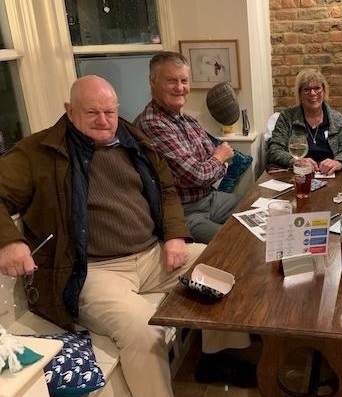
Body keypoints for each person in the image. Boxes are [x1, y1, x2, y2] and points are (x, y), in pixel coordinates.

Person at [0, 75, 204, 397]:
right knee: (143, 329)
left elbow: (166, 189)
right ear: (69, 110)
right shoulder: (38, 153)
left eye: (110, 111)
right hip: (92, 272)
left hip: (154, 257)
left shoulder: (134, 139)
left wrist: (176, 236)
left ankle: (221, 355)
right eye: (92, 112)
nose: (104, 121)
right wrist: (9, 241)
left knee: (221, 267)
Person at [135, 51, 239, 244]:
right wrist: (218, 158)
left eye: (184, 80)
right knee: (233, 241)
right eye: (171, 81)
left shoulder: (188, 120)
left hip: (210, 199)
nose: (180, 88)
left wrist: (216, 161)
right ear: (153, 82)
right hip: (183, 212)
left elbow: (220, 164)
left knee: (254, 211)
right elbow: (199, 174)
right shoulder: (152, 124)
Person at [267, 68, 342, 175]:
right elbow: (274, 150)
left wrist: (338, 162)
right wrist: (296, 161)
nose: (312, 93)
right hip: (297, 176)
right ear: (299, 94)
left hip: (330, 176)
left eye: (317, 88)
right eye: (306, 89)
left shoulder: (338, 119)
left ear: (324, 91)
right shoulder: (287, 117)